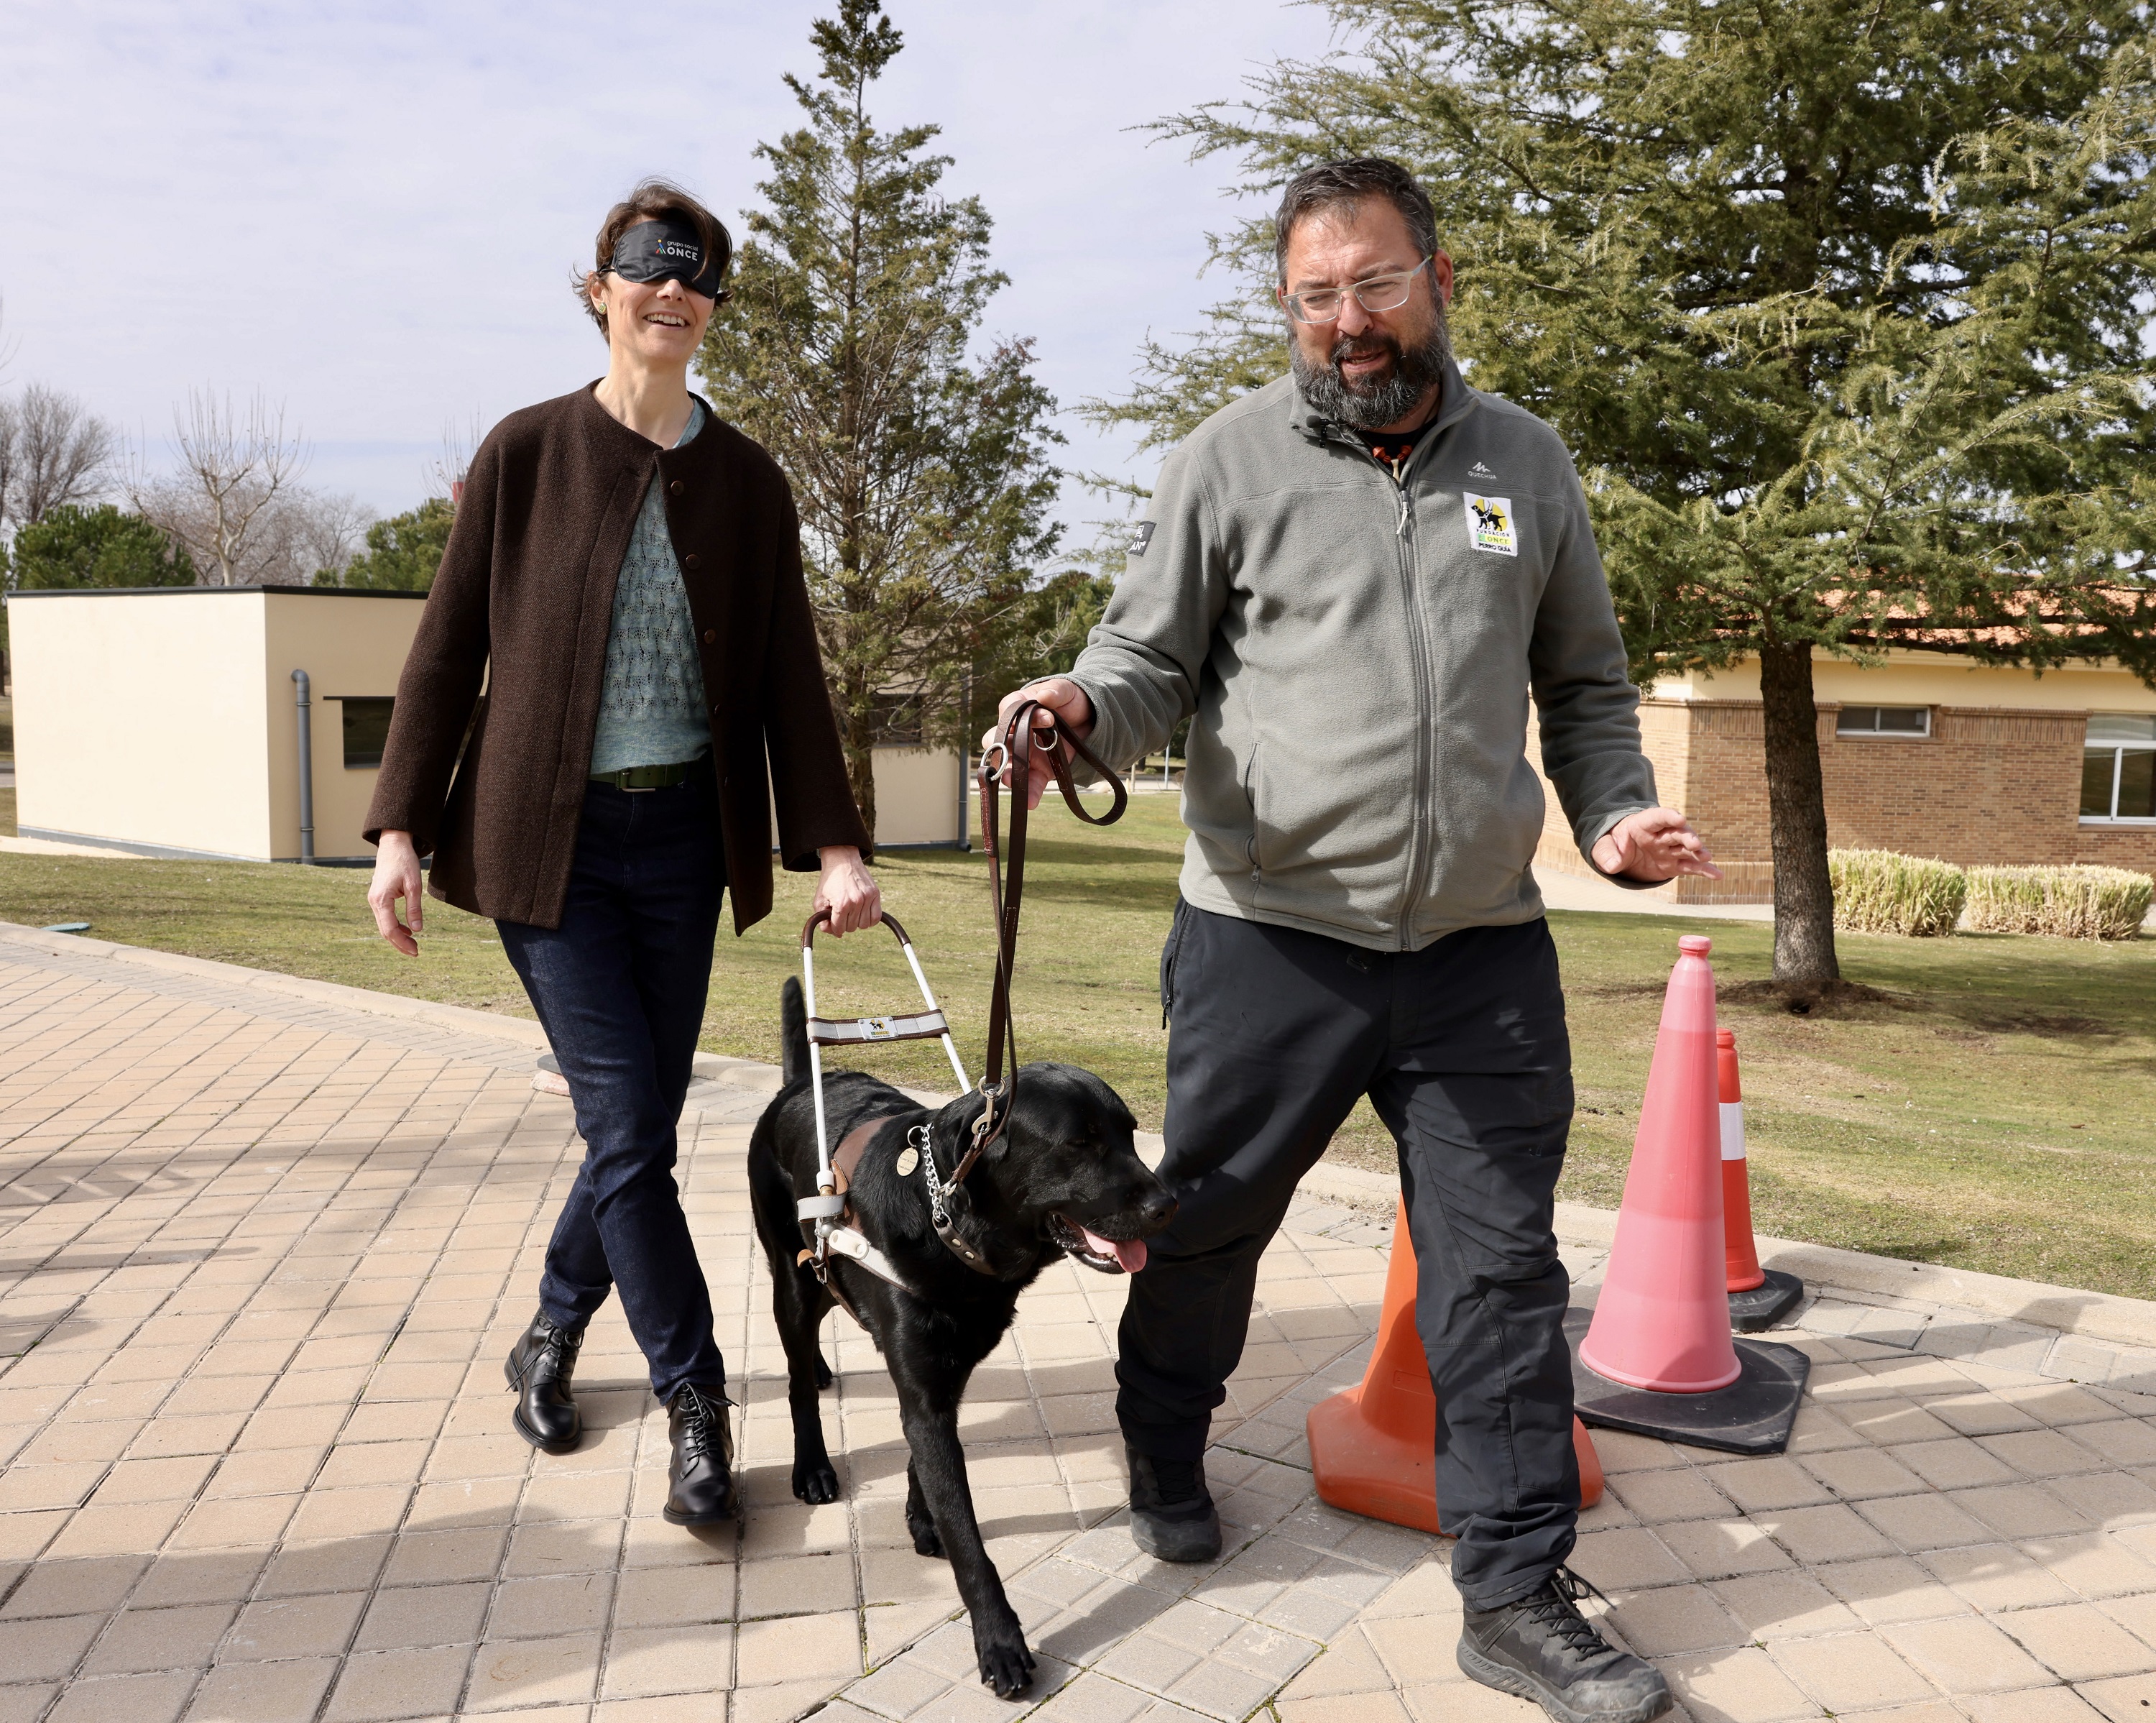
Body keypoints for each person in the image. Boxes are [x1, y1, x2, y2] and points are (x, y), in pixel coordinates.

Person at [990, 158, 1714, 1723]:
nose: (1349, 319)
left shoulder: (1524, 459)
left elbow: (1584, 684)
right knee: (1203, 1221)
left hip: (1478, 949)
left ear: (1437, 277)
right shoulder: (1226, 463)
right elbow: (1141, 660)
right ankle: (1166, 1437)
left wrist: (1611, 819)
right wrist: (1070, 709)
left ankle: (1516, 1590)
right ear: (1290, 309)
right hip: (1270, 939)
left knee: (1499, 1274)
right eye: (1317, 295)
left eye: (1375, 282)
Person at [364, 178, 878, 1530]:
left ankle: (547, 1334)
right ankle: (697, 1401)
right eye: (649, 270)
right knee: (635, 1138)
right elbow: (445, 651)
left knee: (628, 1131)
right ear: (601, 292)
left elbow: (788, 679)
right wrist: (402, 827)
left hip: (682, 849)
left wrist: (833, 846)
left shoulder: (751, 482)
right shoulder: (526, 452)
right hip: (553, 852)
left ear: (711, 305)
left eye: (696, 274)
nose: (673, 292)